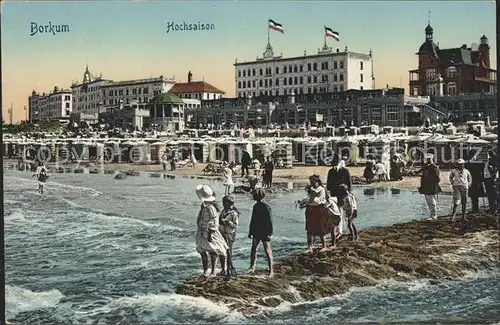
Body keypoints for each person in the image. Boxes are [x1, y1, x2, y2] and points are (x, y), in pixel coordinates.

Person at [194, 184, 228, 277]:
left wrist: (210, 233)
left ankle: (212, 271)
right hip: (202, 231)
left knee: (213, 251)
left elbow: (215, 221)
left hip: (209, 232)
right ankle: (206, 270)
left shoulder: (210, 208)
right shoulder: (206, 207)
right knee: (203, 251)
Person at [298, 175, 329, 253]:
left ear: (317, 181)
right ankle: (310, 246)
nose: (311, 183)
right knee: (309, 228)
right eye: (310, 182)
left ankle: (324, 246)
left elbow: (314, 200)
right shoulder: (313, 189)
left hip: (319, 210)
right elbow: (310, 200)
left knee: (320, 228)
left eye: (313, 182)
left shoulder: (320, 189)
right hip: (311, 210)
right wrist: (305, 203)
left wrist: (305, 203)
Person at [248, 188, 274, 277]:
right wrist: (250, 231)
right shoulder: (256, 206)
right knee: (254, 248)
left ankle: (271, 270)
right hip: (257, 230)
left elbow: (269, 221)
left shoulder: (266, 207)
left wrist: (269, 233)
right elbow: (253, 220)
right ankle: (252, 267)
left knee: (267, 250)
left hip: (264, 231)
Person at [219, 195, 240, 278]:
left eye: (224, 203)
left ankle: (228, 269)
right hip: (221, 234)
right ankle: (223, 269)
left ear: (228, 203)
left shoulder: (234, 213)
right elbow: (219, 221)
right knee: (221, 252)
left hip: (229, 235)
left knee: (228, 253)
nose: (223, 204)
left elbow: (235, 225)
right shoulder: (223, 211)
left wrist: (228, 222)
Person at [419, 154, 441, 220]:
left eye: (429, 159)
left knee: (431, 201)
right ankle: (432, 214)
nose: (428, 160)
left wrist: (433, 183)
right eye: (427, 159)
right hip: (426, 185)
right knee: (429, 201)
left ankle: (434, 215)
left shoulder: (434, 167)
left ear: (432, 159)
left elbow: (437, 178)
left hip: (431, 185)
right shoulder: (426, 166)